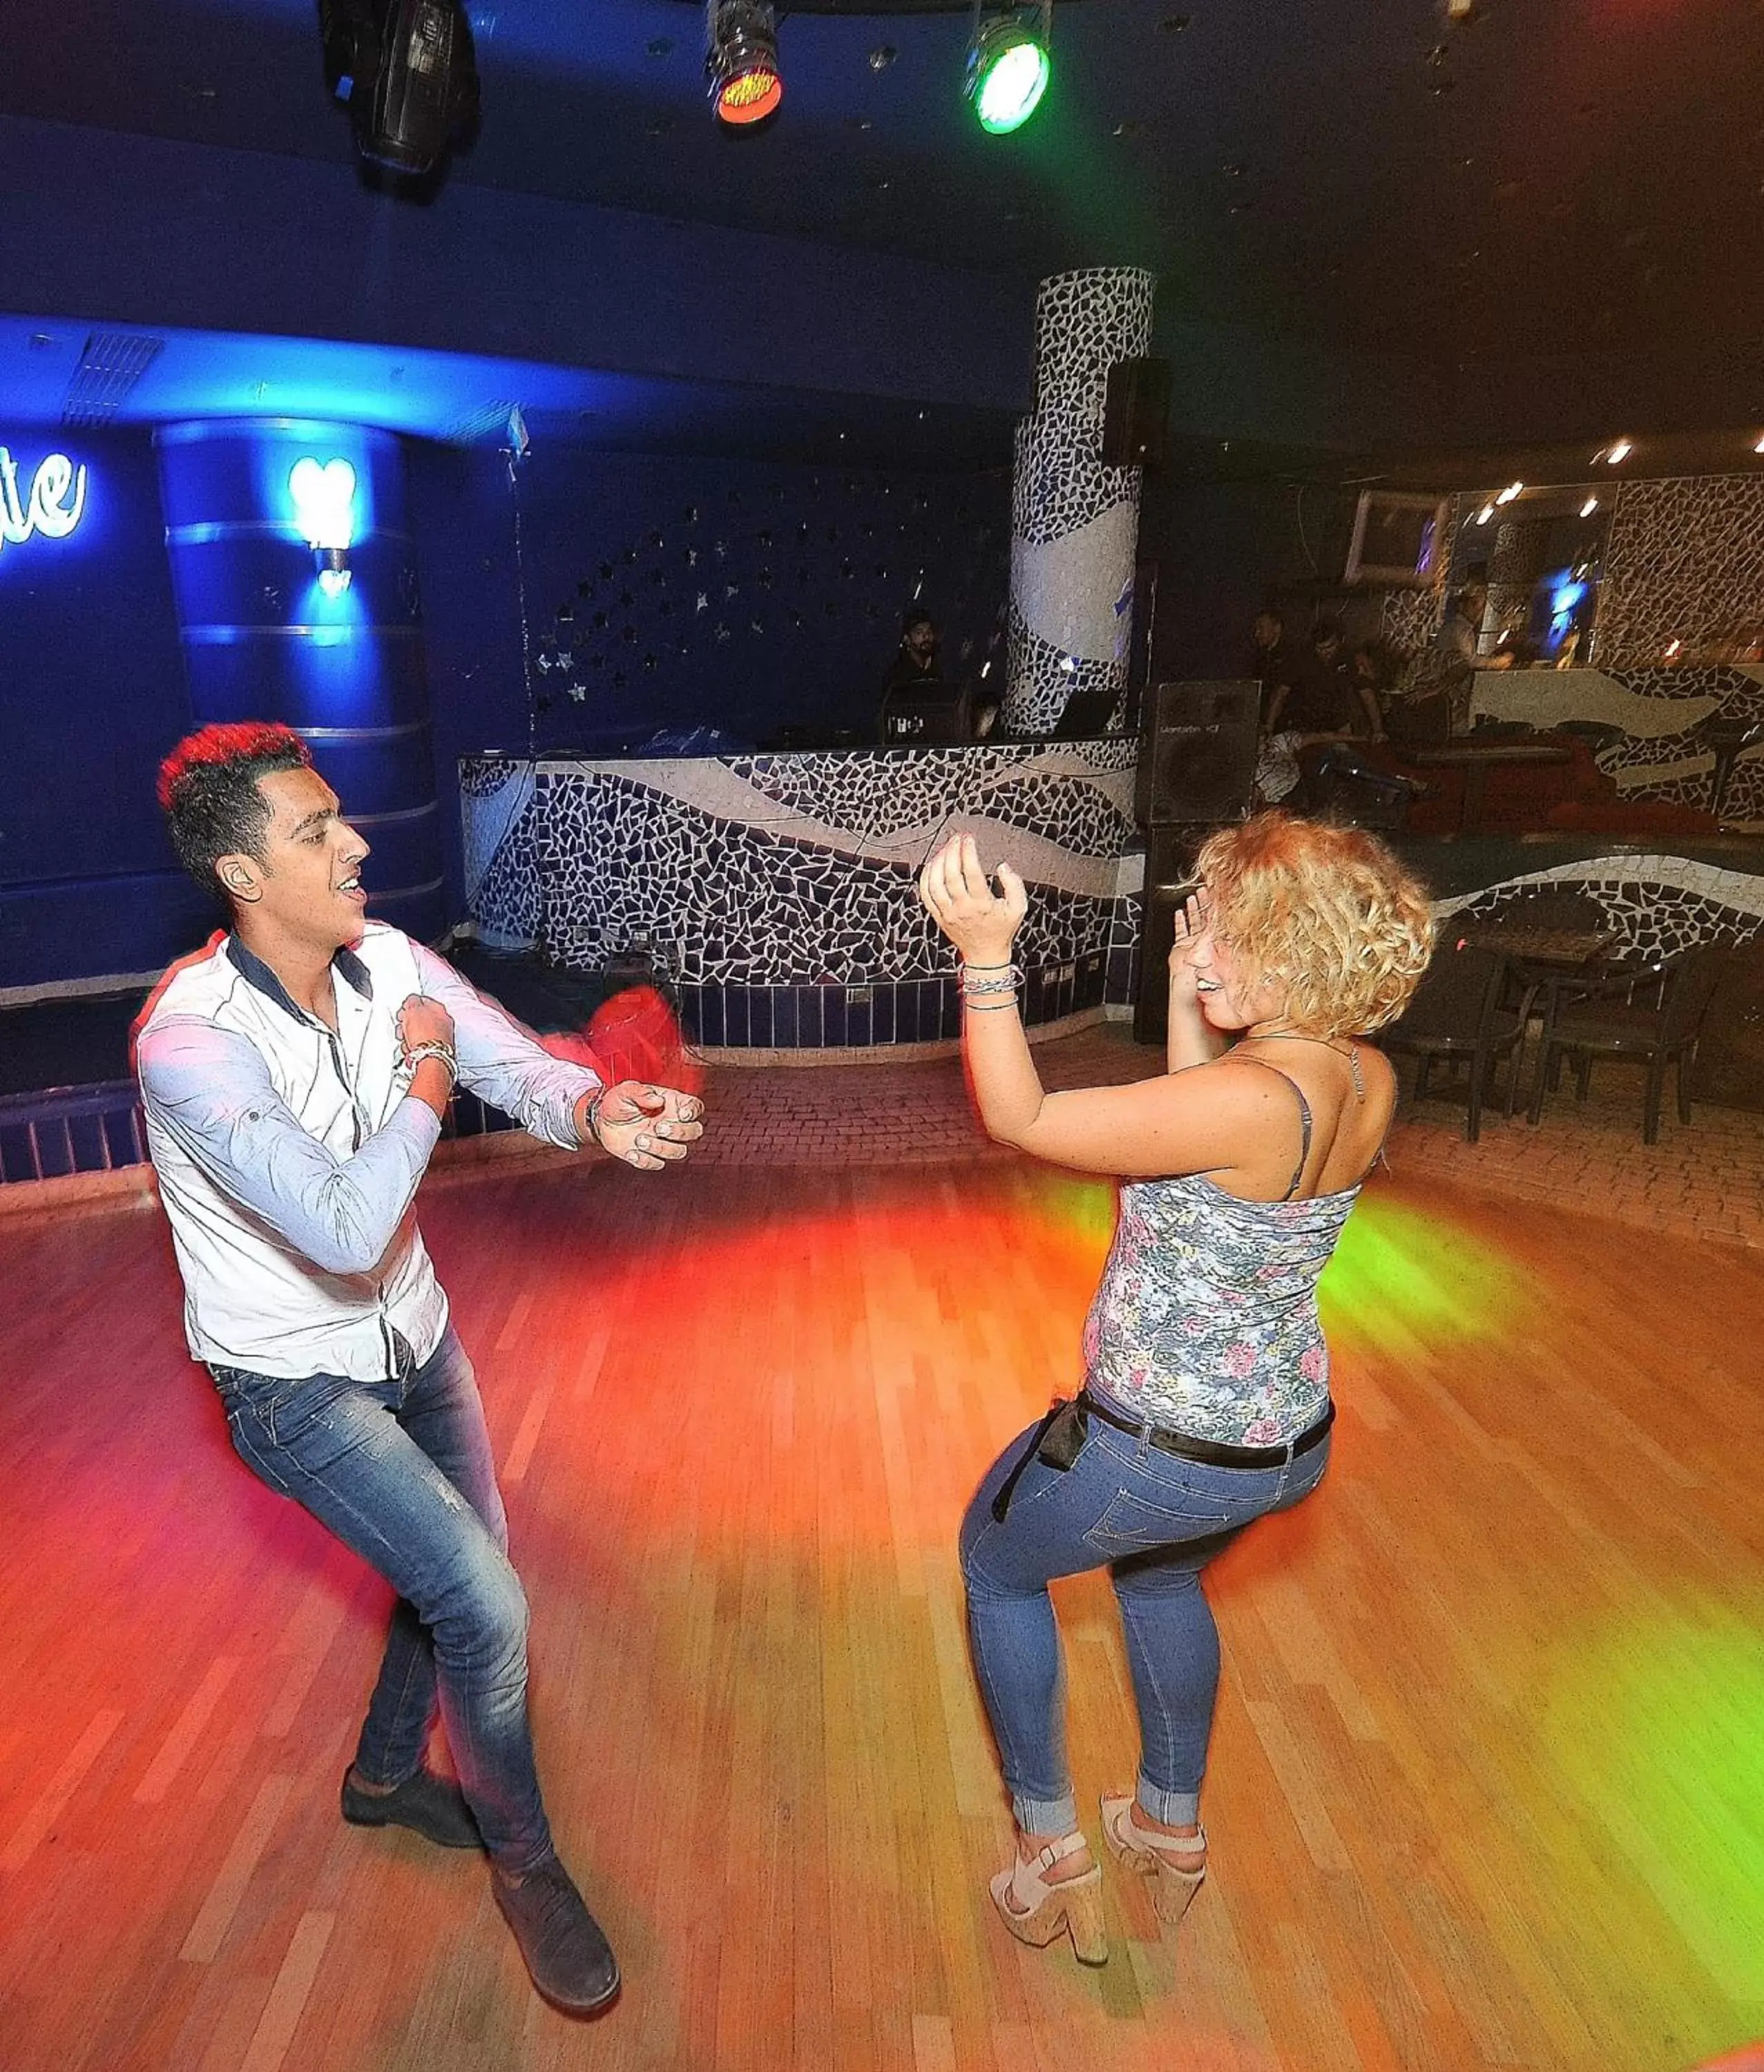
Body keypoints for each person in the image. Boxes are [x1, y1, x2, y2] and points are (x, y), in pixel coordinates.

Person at [135, 722, 706, 2017]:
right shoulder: (191, 1042)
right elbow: (341, 1222)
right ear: (241, 874)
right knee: (487, 1601)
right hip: (291, 1387)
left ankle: (387, 1777)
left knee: (449, 1571)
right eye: (315, 830)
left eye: (340, 816)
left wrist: (592, 1106)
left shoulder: (384, 957)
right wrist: (427, 1068)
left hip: (416, 1336)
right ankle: (528, 1865)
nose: (355, 843)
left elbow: (514, 1058)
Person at [917, 814, 1432, 1966]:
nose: (1202, 956)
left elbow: (1023, 1118)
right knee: (1155, 1585)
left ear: (1296, 956)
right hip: (1280, 1441)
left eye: (1228, 942)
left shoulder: (1248, 1103)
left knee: (993, 1561)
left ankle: (1048, 1853)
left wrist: (984, 957)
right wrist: (1187, 989)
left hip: (1158, 1446)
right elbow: (1204, 1130)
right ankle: (1167, 1826)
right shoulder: (1361, 1073)